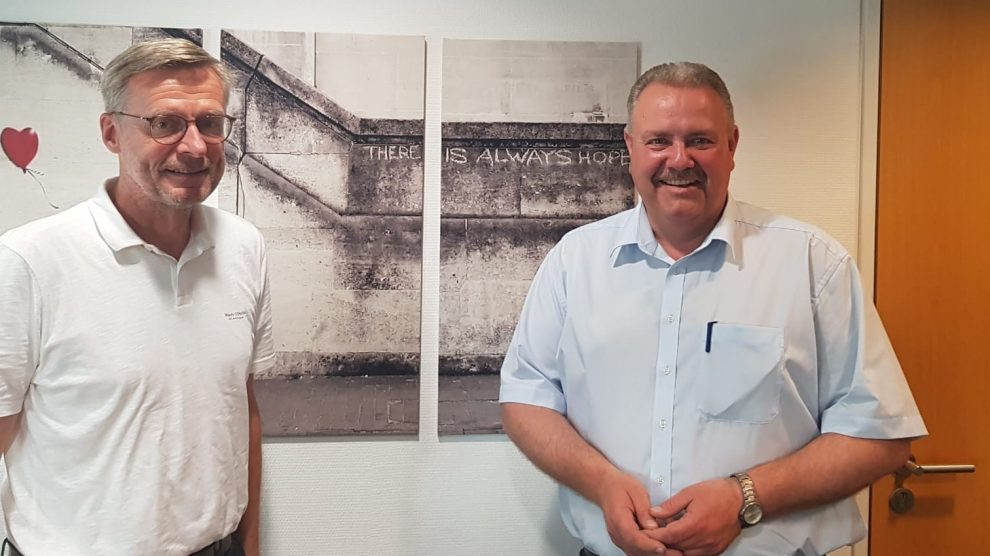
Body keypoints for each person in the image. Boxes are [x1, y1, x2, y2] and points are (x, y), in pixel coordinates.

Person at [499, 62, 926, 556]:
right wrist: (601, 483)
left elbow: (882, 435)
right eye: (659, 140)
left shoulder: (813, 264)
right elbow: (526, 400)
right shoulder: (575, 261)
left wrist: (744, 496)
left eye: (699, 140)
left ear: (732, 146)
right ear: (630, 147)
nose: (678, 160)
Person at [0, 39, 272, 556]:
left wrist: (251, 544)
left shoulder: (245, 246)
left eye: (210, 123)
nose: (194, 146)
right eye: (164, 123)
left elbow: (241, 408)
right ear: (111, 133)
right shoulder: (29, 260)